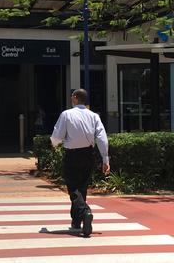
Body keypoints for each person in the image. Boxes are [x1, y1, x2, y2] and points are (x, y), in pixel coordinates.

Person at [50, 88, 109, 237]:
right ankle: (77, 221)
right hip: (88, 154)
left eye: (72, 96)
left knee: (73, 188)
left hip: (72, 155)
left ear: (76, 98)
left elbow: (56, 136)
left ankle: (85, 212)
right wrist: (105, 158)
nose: (71, 98)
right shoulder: (94, 116)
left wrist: (54, 144)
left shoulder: (67, 114)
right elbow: (102, 138)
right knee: (82, 187)